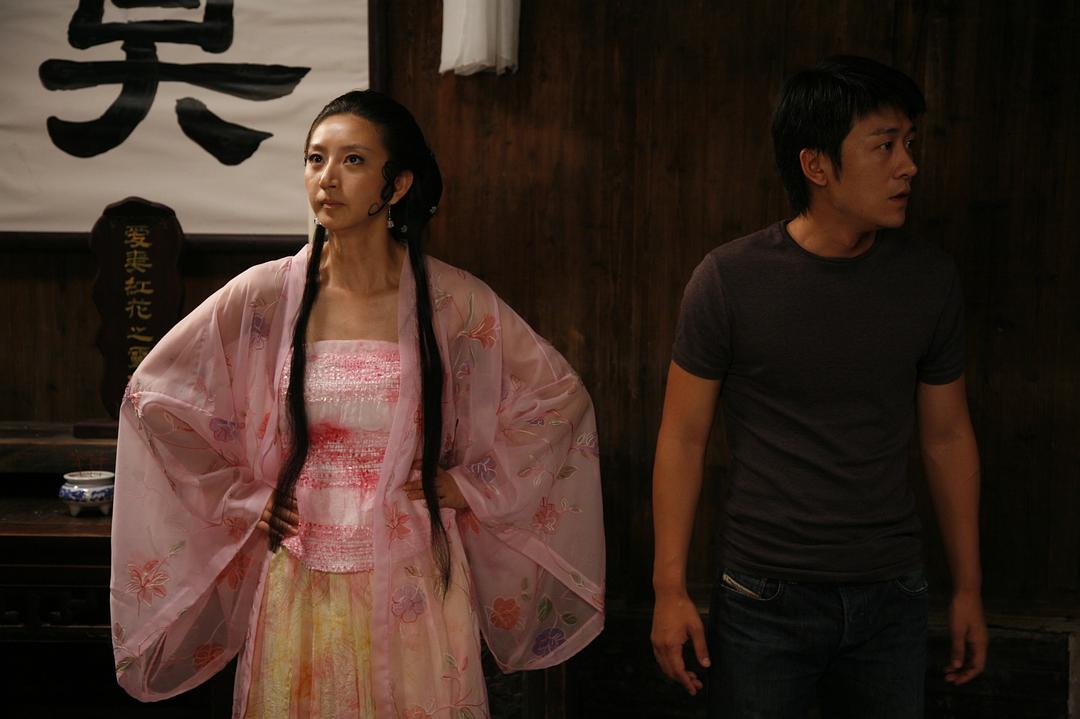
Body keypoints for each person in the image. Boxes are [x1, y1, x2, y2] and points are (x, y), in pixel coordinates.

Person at [109, 90, 605, 718]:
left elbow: (558, 398)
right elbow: (153, 398)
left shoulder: (450, 298)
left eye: (352, 161)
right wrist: (243, 499)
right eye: (315, 159)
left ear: (397, 185)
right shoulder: (268, 294)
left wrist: (467, 484)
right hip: (302, 565)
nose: (327, 178)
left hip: (413, 570)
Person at [650, 56, 987, 717]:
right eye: (885, 145)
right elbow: (682, 437)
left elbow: (948, 436)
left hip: (891, 592)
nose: (909, 166)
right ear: (816, 165)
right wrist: (669, 589)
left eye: (909, 143)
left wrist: (970, 587)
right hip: (763, 594)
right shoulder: (728, 279)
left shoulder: (929, 279)